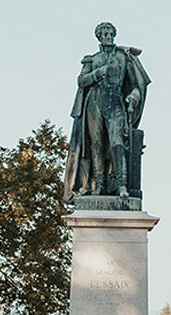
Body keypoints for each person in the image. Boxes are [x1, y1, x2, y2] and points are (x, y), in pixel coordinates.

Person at [64, 21, 151, 200]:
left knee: (117, 143)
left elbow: (136, 85)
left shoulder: (124, 57)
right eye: (104, 33)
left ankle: (121, 185)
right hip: (94, 101)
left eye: (111, 33)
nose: (108, 36)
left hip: (116, 99)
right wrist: (100, 72)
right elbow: (81, 81)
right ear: (99, 36)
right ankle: (99, 185)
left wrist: (133, 97)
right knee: (96, 144)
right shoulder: (91, 59)